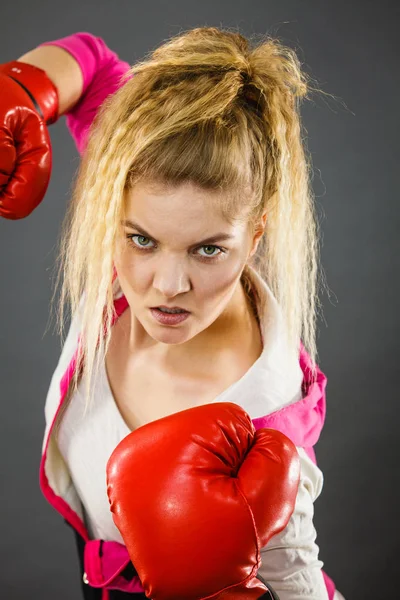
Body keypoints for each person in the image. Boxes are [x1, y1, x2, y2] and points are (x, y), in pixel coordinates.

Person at [0, 28, 345, 600]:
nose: (167, 285)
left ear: (254, 235)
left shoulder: (263, 424)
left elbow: (299, 581)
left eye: (208, 249)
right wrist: (20, 87)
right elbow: (91, 61)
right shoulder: (143, 177)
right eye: (140, 240)